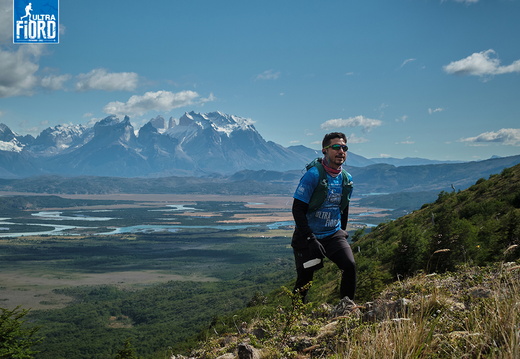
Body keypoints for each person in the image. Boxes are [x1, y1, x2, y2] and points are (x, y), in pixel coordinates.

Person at [291, 132, 356, 302]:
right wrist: (310, 238)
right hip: (308, 237)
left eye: (344, 147)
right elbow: (297, 209)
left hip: (332, 234)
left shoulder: (346, 179)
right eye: (336, 147)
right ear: (325, 150)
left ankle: (347, 312)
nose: (341, 151)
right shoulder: (313, 175)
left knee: (349, 266)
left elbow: (344, 206)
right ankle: (293, 321)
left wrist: (342, 230)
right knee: (305, 281)